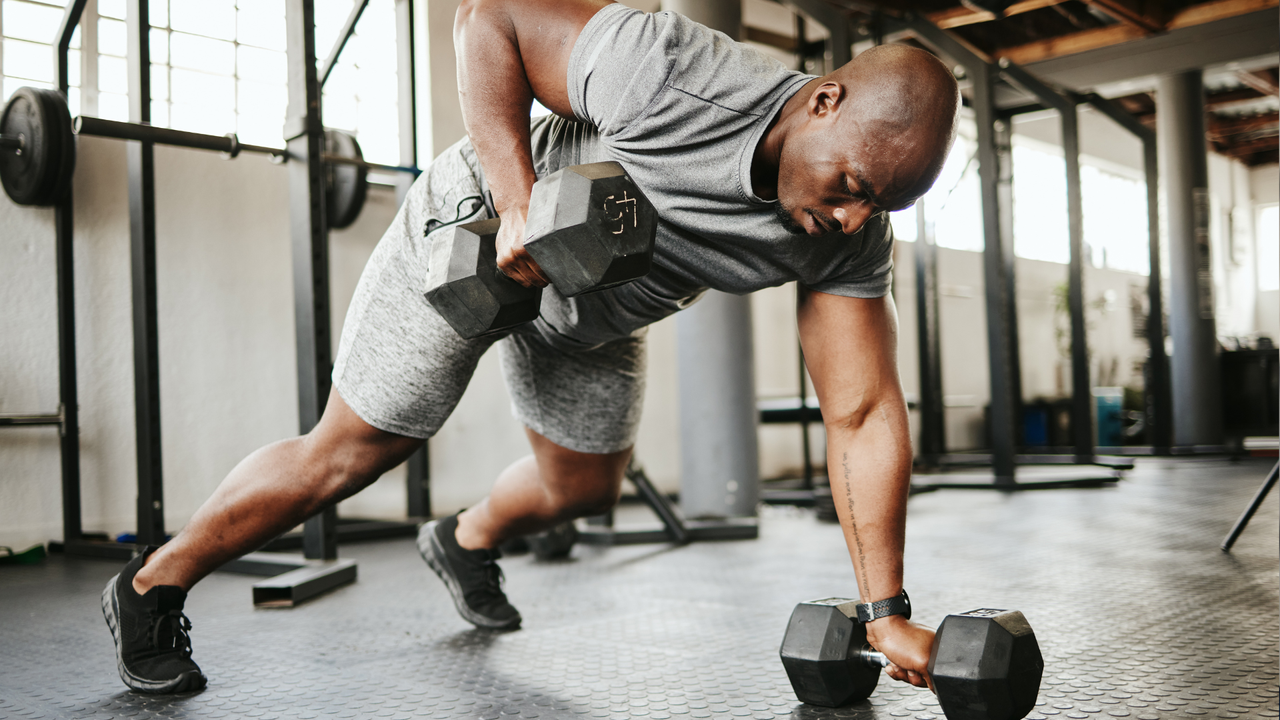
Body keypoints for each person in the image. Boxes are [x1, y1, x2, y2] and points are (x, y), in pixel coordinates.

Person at [100, 0, 959, 696]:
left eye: (879, 206)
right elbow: (491, 20)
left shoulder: (846, 241)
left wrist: (884, 609)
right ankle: (152, 588)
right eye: (851, 185)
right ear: (822, 101)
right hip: (480, 230)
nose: (850, 218)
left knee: (583, 486)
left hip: (597, 304)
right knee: (356, 450)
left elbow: (860, 411)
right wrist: (517, 204)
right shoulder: (670, 72)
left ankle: (465, 539)